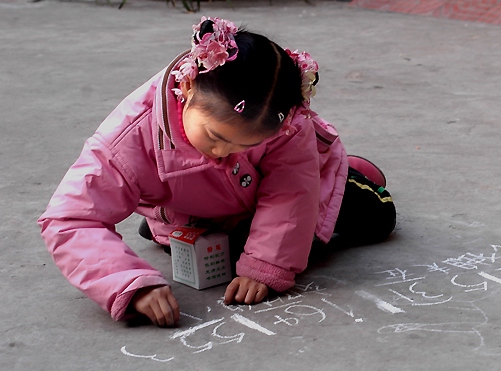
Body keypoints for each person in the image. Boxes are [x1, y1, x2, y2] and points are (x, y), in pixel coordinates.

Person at [38, 17, 396, 327]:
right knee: (211, 256)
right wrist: (127, 283)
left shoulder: (286, 125)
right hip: (196, 206)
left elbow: (292, 193)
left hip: (295, 184)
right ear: (188, 89)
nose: (224, 152)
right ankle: (177, 218)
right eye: (214, 137)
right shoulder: (128, 137)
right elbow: (70, 219)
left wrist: (265, 266)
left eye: (243, 145)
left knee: (375, 220)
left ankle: (348, 175)